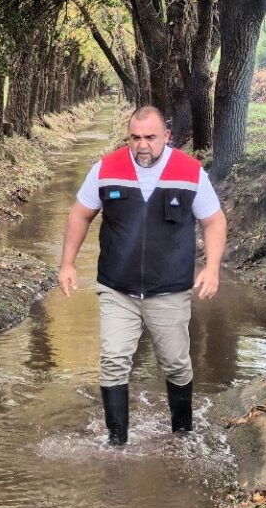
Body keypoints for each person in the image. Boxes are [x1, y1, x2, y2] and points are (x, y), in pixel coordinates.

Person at [58, 106, 227, 445]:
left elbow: (214, 221)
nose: (142, 145)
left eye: (150, 137)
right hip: (117, 288)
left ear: (166, 136)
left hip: (169, 290)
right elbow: (80, 215)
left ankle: (182, 435)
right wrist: (68, 263)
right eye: (135, 138)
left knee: (176, 364)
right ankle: (116, 442)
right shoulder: (106, 169)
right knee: (113, 362)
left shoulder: (190, 172)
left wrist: (211, 267)